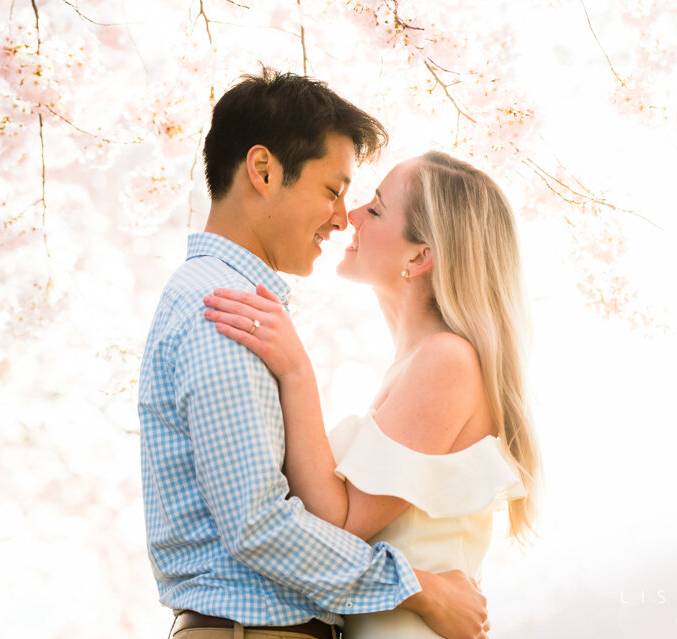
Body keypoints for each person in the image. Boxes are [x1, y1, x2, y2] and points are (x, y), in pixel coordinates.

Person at [138, 68, 490, 639]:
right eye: (332, 190)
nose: (340, 216)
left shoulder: (236, 305)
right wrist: (418, 588)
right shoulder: (223, 306)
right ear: (263, 170)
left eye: (361, 202)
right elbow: (258, 525)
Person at [202, 151, 545, 638]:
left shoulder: (445, 360)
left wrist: (296, 372)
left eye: (377, 209)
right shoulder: (420, 363)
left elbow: (337, 526)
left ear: (419, 256)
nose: (351, 216)